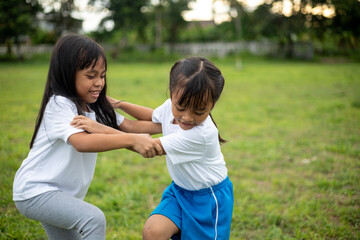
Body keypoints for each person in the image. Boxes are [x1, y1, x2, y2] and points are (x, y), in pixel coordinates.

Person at [12, 34, 162, 240]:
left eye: (102, 75)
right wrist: (131, 140)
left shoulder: (94, 107)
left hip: (61, 195)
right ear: (67, 74)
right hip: (36, 190)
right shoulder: (60, 105)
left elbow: (131, 126)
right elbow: (81, 142)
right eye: (91, 76)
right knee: (93, 219)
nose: (99, 83)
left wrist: (176, 123)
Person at [75, 57, 234, 239]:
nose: (187, 118)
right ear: (172, 93)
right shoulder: (170, 108)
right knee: (153, 232)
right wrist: (118, 104)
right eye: (180, 107)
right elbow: (151, 118)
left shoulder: (202, 135)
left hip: (208, 199)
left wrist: (100, 129)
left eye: (199, 112)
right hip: (180, 190)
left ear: (212, 105)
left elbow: (147, 146)